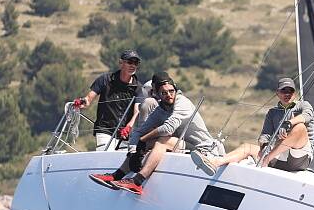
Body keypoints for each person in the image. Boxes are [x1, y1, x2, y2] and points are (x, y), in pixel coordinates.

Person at [89, 72, 223, 195]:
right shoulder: (160, 110)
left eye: (171, 91)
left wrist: (142, 140)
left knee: (163, 140)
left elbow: (168, 128)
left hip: (202, 149)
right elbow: (139, 132)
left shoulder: (182, 102)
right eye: (164, 93)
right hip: (184, 145)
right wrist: (133, 151)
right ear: (157, 94)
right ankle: (116, 176)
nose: (169, 95)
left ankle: (137, 182)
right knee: (148, 141)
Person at [206, 77, 314, 173]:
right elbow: (265, 135)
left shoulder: (303, 105)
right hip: (279, 156)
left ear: (295, 93)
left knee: (300, 127)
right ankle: (215, 163)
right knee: (246, 147)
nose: (287, 94)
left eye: (290, 91)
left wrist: (289, 123)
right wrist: (264, 146)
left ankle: (266, 160)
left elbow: (307, 115)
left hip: (299, 157)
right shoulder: (273, 112)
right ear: (277, 93)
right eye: (283, 91)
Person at [73, 49, 142, 150]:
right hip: (104, 129)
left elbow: (137, 111)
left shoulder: (138, 87)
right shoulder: (105, 79)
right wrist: (82, 102)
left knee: (120, 164)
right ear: (121, 63)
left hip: (124, 133)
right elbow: (89, 98)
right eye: (130, 62)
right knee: (105, 160)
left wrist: (129, 126)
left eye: (136, 63)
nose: (133, 66)